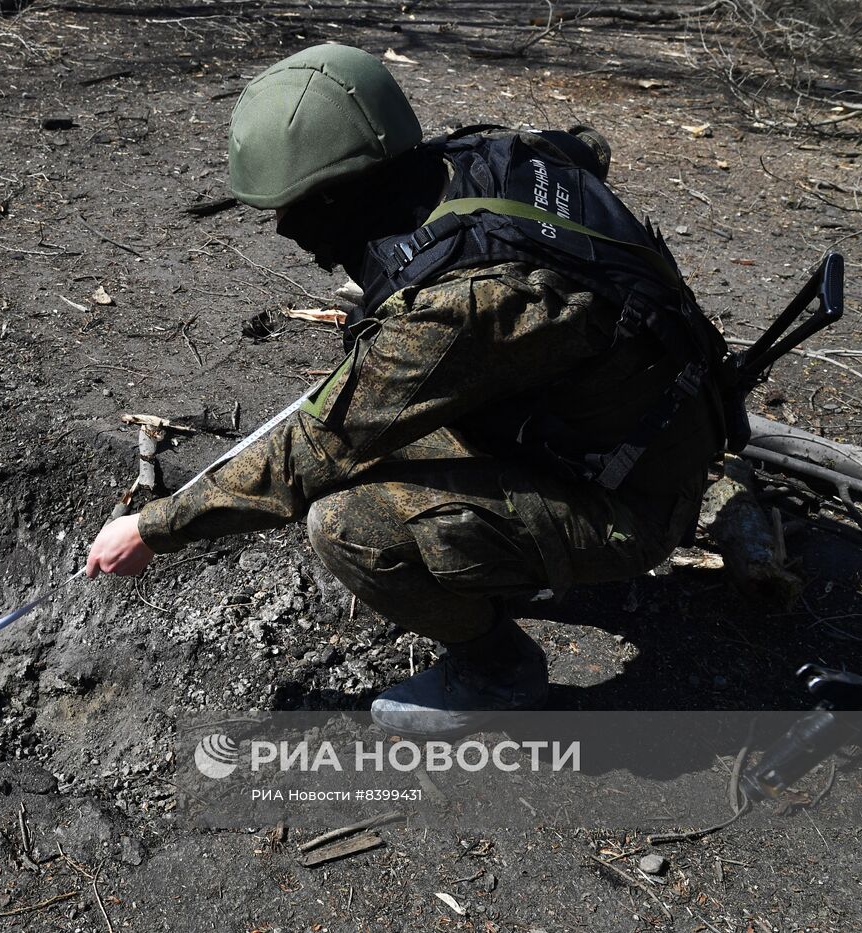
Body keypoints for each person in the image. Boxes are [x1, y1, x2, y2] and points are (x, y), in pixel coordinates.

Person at [86, 43, 737, 737]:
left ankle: (495, 671)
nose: (284, 227)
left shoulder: (462, 307)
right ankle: (508, 552)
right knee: (393, 441)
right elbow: (589, 152)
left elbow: (313, 450)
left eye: (295, 206)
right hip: (648, 419)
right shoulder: (486, 159)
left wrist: (154, 528)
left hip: (633, 498)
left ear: (341, 189)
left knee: (348, 524)